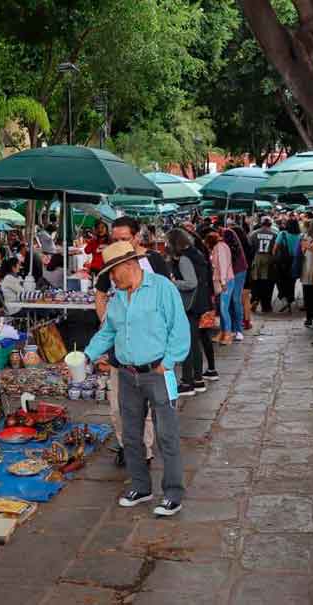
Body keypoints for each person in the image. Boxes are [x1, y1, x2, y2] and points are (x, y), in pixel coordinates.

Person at [83, 241, 189, 517]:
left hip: (158, 374)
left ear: (128, 266)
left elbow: (179, 327)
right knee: (131, 435)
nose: (110, 279)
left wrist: (167, 363)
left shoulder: (162, 288)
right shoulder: (118, 297)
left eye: (112, 273)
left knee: (167, 436)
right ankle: (142, 487)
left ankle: (173, 494)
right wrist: (87, 355)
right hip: (128, 375)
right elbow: (108, 332)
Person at [94, 216, 169, 467]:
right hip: (120, 348)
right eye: (115, 239)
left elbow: (168, 301)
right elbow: (101, 295)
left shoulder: (155, 262)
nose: (119, 243)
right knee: (117, 406)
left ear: (137, 237)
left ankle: (145, 450)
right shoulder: (110, 262)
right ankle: (127, 445)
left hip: (151, 350)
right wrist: (108, 325)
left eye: (124, 239)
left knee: (148, 408)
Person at [167, 229, 214, 397]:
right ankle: (198, 380)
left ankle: (188, 382)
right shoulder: (197, 254)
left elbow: (190, 282)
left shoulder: (185, 259)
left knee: (187, 343)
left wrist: (173, 282)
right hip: (200, 303)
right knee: (194, 343)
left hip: (190, 305)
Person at [220, 227, 248, 343]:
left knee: (235, 299)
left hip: (237, 271)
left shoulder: (227, 234)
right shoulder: (227, 234)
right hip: (233, 271)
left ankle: (238, 330)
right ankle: (231, 329)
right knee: (230, 301)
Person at [274, 218, 302, 313]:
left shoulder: (282, 234)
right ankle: (291, 299)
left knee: (280, 281)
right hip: (294, 262)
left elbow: (275, 248)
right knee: (291, 281)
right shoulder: (300, 236)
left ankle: (283, 298)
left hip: (282, 262)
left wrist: (275, 257)